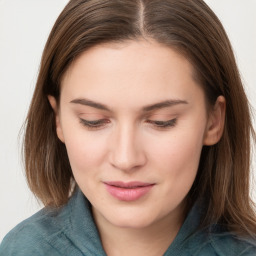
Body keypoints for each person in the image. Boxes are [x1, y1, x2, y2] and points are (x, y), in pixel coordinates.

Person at [0, 0, 256, 255]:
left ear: (213, 121)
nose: (125, 159)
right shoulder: (22, 249)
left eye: (161, 121)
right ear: (58, 119)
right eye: (93, 121)